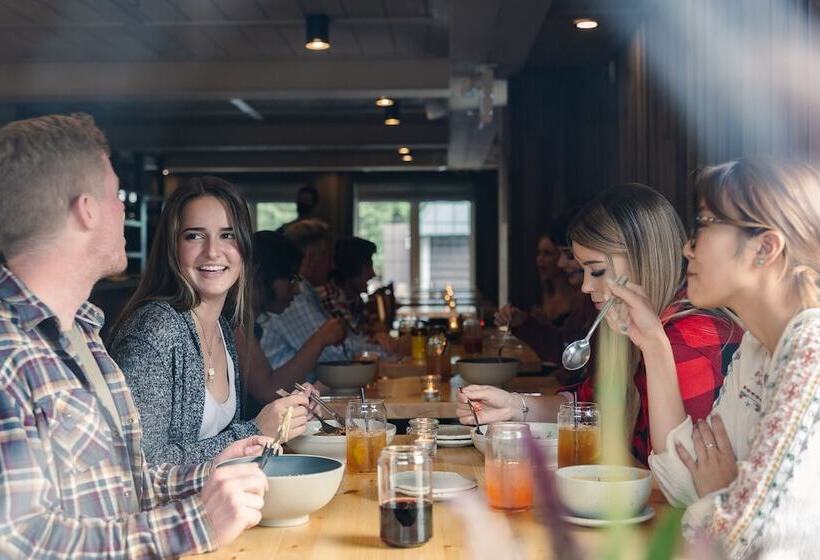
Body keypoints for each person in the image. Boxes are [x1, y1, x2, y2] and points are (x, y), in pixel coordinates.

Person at [0, 113, 268, 557]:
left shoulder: (82, 335)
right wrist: (197, 523)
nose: (124, 208)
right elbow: (19, 543)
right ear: (86, 209)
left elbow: (128, 482)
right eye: (114, 194)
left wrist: (215, 470)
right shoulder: (9, 352)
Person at [609, 160, 820, 558]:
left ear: (765, 248)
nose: (688, 246)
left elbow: (747, 538)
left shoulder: (810, 349)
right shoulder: (758, 347)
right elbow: (687, 481)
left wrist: (723, 494)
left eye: (705, 223)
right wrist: (654, 344)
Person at [458, 184, 741, 465]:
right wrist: (514, 405)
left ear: (644, 259)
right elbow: (587, 402)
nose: (584, 286)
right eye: (583, 270)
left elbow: (685, 476)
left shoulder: (689, 339)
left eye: (596, 270)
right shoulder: (638, 327)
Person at [109, 177, 311, 465]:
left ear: (244, 248)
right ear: (172, 248)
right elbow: (141, 466)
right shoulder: (154, 331)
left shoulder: (221, 328)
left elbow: (223, 451)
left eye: (227, 235)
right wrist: (254, 431)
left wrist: (290, 415)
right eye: (194, 236)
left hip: (220, 507)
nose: (213, 251)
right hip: (178, 511)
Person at [259, 219, 391, 376]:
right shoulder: (293, 298)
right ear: (310, 257)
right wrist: (387, 350)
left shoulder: (306, 291)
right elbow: (334, 357)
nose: (333, 266)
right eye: (330, 257)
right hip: (289, 397)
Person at [237, 230, 346, 415]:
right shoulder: (234, 325)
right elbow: (269, 391)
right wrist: (320, 339)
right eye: (292, 279)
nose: (296, 290)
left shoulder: (248, 323)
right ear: (260, 276)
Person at [494, 211, 595, 365]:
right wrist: (524, 322)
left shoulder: (589, 299)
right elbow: (565, 350)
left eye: (568, 255)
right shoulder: (584, 301)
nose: (560, 264)